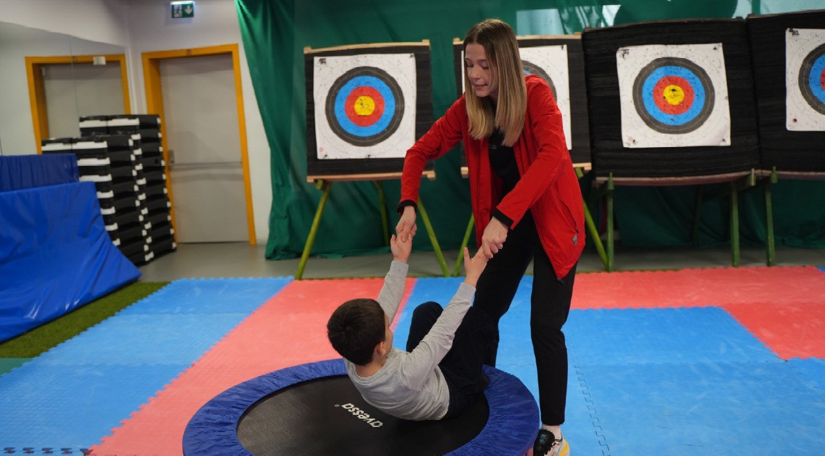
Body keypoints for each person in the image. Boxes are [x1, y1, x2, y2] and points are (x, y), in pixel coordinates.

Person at [395, 18, 585, 456]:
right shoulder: (469, 108)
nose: (476, 74)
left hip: (555, 222)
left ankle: (553, 432)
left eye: (484, 64)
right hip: (511, 223)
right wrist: (408, 202)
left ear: (505, 62)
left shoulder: (536, 95)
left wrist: (502, 216)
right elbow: (418, 151)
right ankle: (483, 396)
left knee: (544, 326)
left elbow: (554, 154)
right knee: (482, 316)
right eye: (470, 65)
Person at [327, 234, 492, 422]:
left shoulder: (351, 351)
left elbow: (383, 307)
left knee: (426, 310)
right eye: (388, 328)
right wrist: (472, 279)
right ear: (380, 347)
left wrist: (400, 259)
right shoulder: (405, 375)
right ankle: (477, 379)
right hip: (453, 394)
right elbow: (441, 334)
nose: (390, 326)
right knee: (474, 320)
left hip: (418, 381)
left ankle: (445, 364)